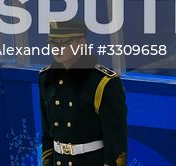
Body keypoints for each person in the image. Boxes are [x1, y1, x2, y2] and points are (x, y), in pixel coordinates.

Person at [39, 20, 126, 166]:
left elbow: (116, 141)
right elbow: (47, 132)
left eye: (64, 42)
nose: (57, 48)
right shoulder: (46, 78)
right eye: (53, 42)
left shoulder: (103, 82)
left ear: (82, 42)